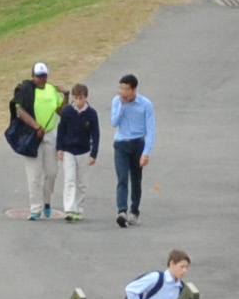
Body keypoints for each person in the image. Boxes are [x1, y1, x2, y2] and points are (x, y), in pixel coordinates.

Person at [10, 62, 66, 219]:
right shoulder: (27, 90)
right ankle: (35, 208)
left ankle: (47, 201)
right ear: (32, 76)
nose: (42, 79)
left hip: (50, 134)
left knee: (51, 172)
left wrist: (66, 95)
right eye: (38, 76)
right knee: (34, 175)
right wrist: (36, 127)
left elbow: (62, 111)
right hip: (32, 135)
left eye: (44, 76)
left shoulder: (51, 90)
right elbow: (19, 110)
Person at [51, 79, 100, 221]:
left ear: (86, 97)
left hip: (84, 150)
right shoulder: (67, 111)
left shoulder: (91, 114)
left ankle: (78, 208)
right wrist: (59, 148)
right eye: (76, 98)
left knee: (81, 182)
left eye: (81, 98)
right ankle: (69, 209)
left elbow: (95, 134)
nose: (78, 101)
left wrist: (94, 153)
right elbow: (61, 130)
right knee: (70, 179)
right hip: (68, 150)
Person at [110, 73, 155, 228]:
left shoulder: (145, 104)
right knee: (122, 178)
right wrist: (122, 105)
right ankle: (121, 211)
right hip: (121, 144)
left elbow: (151, 129)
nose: (122, 91)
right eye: (121, 88)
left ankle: (134, 211)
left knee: (136, 180)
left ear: (134, 89)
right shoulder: (117, 101)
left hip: (138, 144)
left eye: (126, 89)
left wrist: (146, 152)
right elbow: (114, 121)